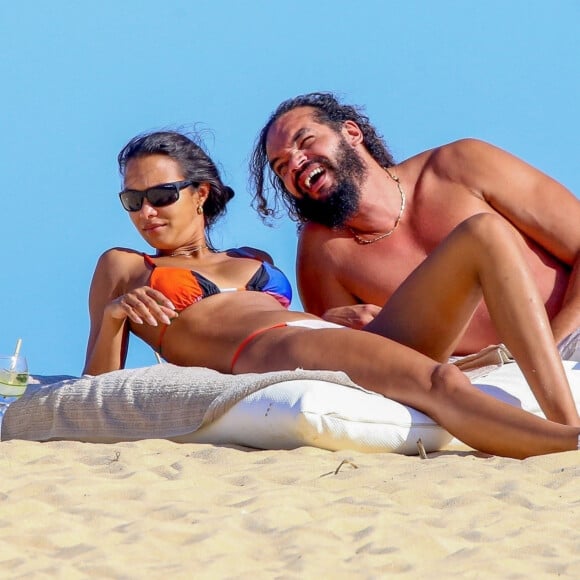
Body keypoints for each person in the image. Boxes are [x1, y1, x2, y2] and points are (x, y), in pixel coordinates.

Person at [84, 129, 580, 459]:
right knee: (441, 384)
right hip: (271, 348)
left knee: (484, 234)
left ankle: (564, 414)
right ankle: (567, 444)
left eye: (160, 195)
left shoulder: (254, 257)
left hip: (320, 337)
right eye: (132, 200)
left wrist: (342, 315)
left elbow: (308, 315)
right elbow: (94, 389)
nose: (146, 211)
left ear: (200, 192)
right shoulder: (125, 266)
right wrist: (112, 318)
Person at [250, 92, 580, 358]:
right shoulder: (324, 253)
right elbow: (356, 360)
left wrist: (555, 352)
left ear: (351, 133)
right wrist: (326, 325)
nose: (294, 163)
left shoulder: (461, 165)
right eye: (281, 167)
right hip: (495, 379)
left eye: (305, 141)